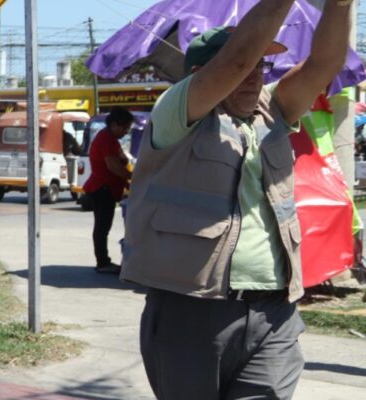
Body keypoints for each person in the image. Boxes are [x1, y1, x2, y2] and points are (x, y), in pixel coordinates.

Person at [125, 0, 353, 397]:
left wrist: (340, 4)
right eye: (247, 68)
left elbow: (324, 65)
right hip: (191, 311)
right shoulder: (176, 111)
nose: (254, 76)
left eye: (262, 67)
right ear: (198, 75)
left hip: (274, 312)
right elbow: (235, 60)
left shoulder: (272, 110)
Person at [87, 109, 134, 274]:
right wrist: (133, 177)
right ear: (114, 125)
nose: (126, 132)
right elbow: (113, 166)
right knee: (102, 227)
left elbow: (120, 162)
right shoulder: (106, 139)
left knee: (103, 226)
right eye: (124, 128)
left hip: (107, 188)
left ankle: (103, 261)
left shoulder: (111, 139)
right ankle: (103, 262)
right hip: (102, 188)